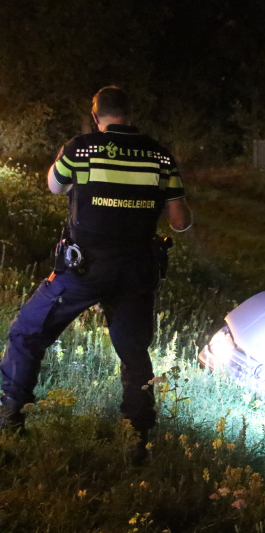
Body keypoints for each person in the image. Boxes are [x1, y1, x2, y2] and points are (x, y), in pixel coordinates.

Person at [0, 86, 192, 461]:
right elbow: (180, 222)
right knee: (134, 353)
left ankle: (11, 420)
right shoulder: (160, 155)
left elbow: (55, 187)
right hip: (136, 271)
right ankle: (137, 440)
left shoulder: (80, 148)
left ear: (95, 114)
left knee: (26, 332)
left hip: (83, 268)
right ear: (130, 113)